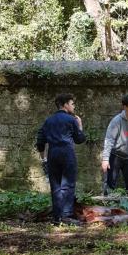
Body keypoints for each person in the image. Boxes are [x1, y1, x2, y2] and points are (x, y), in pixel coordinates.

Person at [36, 93, 86, 225]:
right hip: (67, 153)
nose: (73, 106)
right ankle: (67, 215)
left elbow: (40, 141)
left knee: (56, 186)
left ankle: (57, 218)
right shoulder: (71, 120)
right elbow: (79, 139)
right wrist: (80, 125)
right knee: (68, 185)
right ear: (65, 105)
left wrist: (44, 159)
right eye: (72, 103)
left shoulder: (48, 121)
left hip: (53, 154)